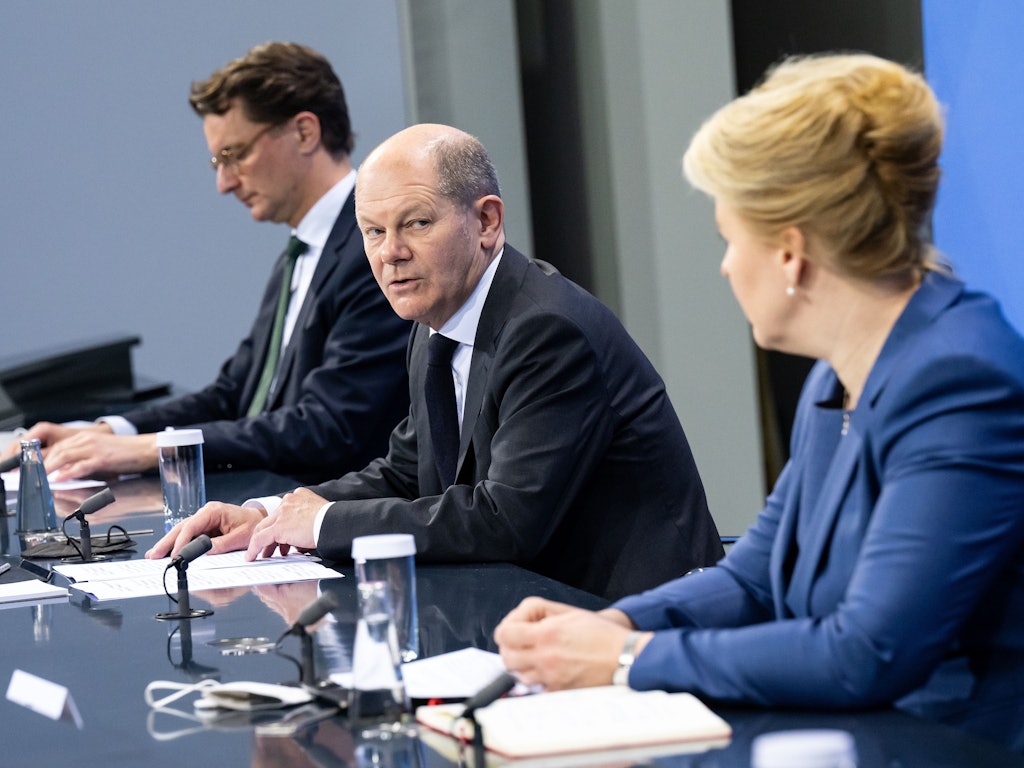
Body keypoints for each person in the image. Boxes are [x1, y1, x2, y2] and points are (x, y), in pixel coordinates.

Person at [494, 54, 1024, 751]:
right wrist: (615, 625)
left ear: (790, 254)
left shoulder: (960, 381)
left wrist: (628, 660)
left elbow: (867, 652)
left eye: (728, 238)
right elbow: (755, 577)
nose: (723, 265)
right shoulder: (837, 374)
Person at [147, 122, 724, 600]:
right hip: (531, 599)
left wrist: (320, 525)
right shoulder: (436, 322)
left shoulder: (548, 330)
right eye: (373, 231)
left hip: (629, 612)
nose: (389, 254)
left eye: (416, 223)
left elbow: (504, 519)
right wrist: (271, 516)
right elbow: (405, 471)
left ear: (487, 222)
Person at [6, 43, 411, 484]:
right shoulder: (299, 253)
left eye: (235, 155)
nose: (224, 183)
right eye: (218, 161)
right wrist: (109, 431)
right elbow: (232, 394)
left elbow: (326, 427)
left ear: (304, 132)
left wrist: (147, 449)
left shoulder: (373, 251)